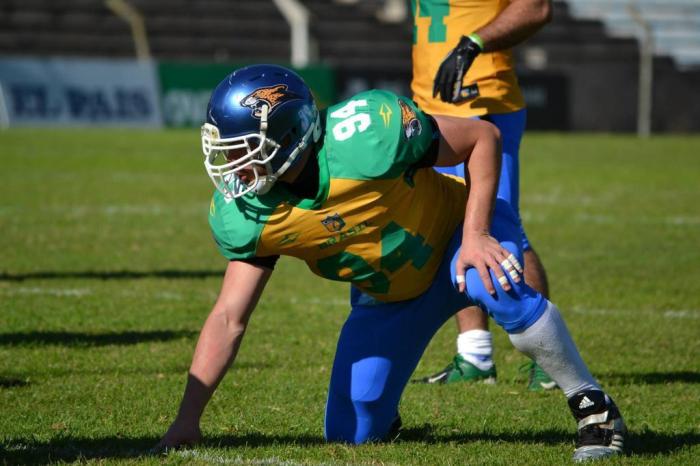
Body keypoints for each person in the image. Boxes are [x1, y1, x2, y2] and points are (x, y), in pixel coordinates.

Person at [156, 64, 626, 461]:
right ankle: (383, 407)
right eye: (228, 151)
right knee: (349, 434)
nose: (233, 167)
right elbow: (228, 317)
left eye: (245, 150)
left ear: (290, 134)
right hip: (392, 296)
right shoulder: (247, 215)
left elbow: (481, 136)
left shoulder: (367, 134)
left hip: (453, 242)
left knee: (493, 279)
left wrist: (477, 233)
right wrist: (187, 419)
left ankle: (592, 406)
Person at [412, 0, 556, 390]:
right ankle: (475, 355)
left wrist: (473, 43)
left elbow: (536, 8)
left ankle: (549, 359)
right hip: (432, 106)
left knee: (501, 229)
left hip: (483, 102)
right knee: (450, 228)